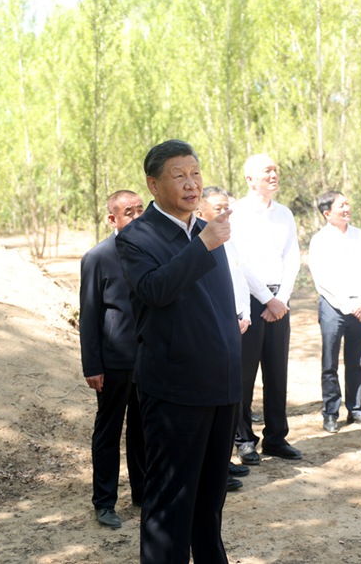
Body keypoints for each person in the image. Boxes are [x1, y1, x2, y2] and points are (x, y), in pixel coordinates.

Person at [115, 140, 241, 563]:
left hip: (221, 389)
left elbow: (220, 310)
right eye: (179, 175)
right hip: (174, 393)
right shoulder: (137, 237)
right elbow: (154, 290)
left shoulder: (206, 232)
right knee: (171, 505)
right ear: (153, 184)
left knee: (210, 502)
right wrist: (202, 245)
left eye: (195, 173)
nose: (191, 184)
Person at [79, 190, 146, 529]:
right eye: (127, 212)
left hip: (147, 358)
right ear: (113, 219)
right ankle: (104, 502)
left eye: (139, 210)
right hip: (114, 361)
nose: (135, 216)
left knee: (143, 430)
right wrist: (92, 366)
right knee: (108, 432)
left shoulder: (151, 250)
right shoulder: (98, 257)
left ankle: (142, 492)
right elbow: (89, 315)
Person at [230, 153, 302, 464]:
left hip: (279, 302)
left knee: (277, 373)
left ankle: (276, 437)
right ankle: (244, 439)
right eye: (267, 171)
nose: (274, 175)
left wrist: (281, 299)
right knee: (244, 375)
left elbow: (293, 257)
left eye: (276, 169)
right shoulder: (237, 213)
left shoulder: (285, 214)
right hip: (250, 301)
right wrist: (266, 298)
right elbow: (239, 260)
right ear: (249, 179)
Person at [308, 191, 361, 434]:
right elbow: (321, 278)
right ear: (328, 213)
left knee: (356, 361)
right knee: (330, 363)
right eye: (341, 205)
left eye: (348, 203)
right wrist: (345, 304)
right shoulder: (319, 240)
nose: (347, 207)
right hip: (333, 307)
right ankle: (330, 412)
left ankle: (356, 409)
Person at [197, 186, 251, 491]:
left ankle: (225, 461)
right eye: (218, 207)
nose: (225, 212)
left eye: (227, 207)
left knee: (233, 394)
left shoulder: (228, 239)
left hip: (236, 324)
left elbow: (238, 279)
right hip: (214, 331)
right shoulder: (199, 242)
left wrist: (244, 313)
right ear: (201, 211)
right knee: (214, 398)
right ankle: (214, 470)